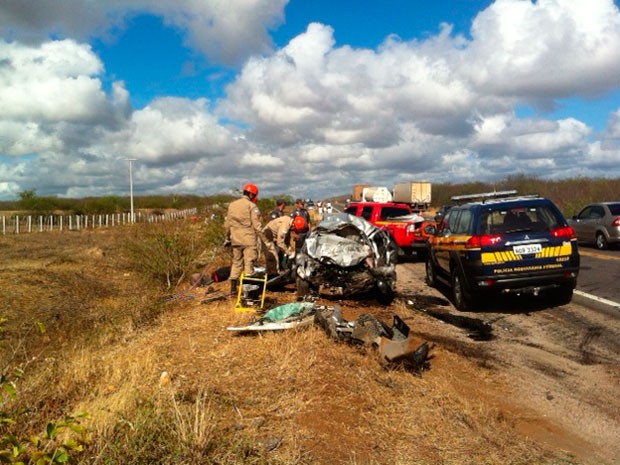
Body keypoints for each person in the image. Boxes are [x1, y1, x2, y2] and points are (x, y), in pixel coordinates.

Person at [224, 183, 268, 296]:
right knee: (249, 264)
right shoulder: (251, 206)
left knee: (236, 263)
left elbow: (227, 225)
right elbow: (257, 227)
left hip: (235, 240)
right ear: (252, 195)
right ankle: (247, 294)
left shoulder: (232, 205)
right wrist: (265, 241)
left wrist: (227, 238)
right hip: (248, 241)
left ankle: (233, 290)